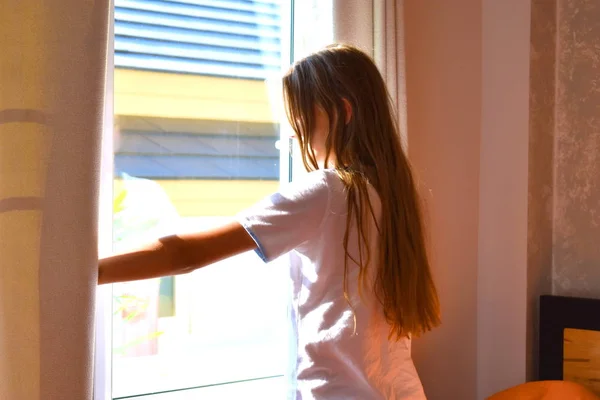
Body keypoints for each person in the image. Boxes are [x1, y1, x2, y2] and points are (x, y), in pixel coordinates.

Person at [99, 43, 441, 400]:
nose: (293, 134)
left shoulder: (328, 191)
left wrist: (92, 270)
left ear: (343, 111)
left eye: (300, 119)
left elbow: (186, 254)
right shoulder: (396, 194)